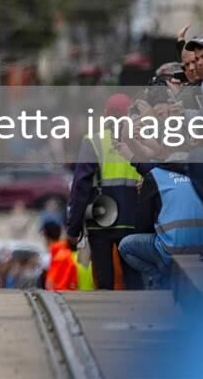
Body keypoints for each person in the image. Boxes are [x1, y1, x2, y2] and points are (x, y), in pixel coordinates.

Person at [64, 92, 143, 290]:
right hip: (133, 219)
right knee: (134, 279)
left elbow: (80, 186)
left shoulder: (93, 141)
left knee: (104, 280)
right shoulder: (140, 140)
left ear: (106, 115)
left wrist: (73, 227)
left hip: (100, 218)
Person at [119, 165, 203, 289]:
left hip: (173, 249)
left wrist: (144, 193)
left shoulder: (155, 175)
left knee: (125, 246)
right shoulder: (201, 171)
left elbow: (142, 224)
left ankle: (159, 279)